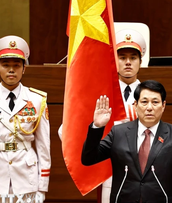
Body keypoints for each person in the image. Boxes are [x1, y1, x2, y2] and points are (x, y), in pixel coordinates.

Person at [82, 80, 172, 203]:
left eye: (155, 102)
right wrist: (97, 127)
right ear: (135, 105)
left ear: (163, 105)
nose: (149, 107)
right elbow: (88, 158)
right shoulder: (118, 132)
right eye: (144, 102)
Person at [58, 29, 146, 203]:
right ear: (114, 60)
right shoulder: (101, 94)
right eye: (122, 57)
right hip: (110, 171)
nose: (128, 62)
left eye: (133, 58)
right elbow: (67, 131)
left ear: (140, 61)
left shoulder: (151, 95)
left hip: (144, 170)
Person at [0, 35, 51, 203]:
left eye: (17, 65)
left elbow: (43, 146)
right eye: (5, 65)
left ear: (24, 69)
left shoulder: (37, 100)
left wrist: (42, 186)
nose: (11, 70)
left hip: (27, 179)